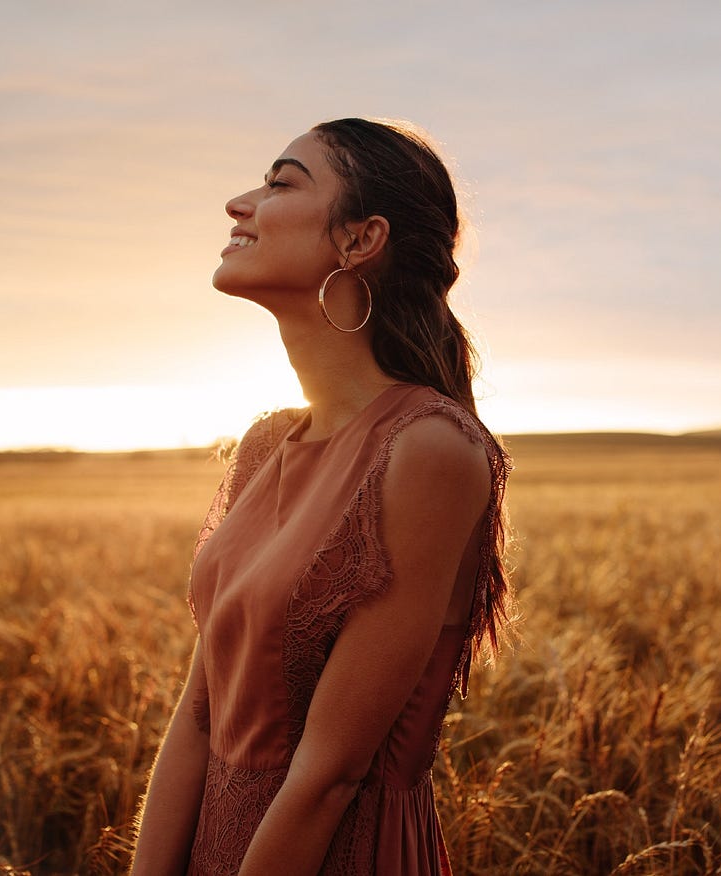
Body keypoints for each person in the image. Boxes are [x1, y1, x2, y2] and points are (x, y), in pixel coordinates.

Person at [131, 118, 511, 875]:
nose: (239, 204)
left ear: (359, 240)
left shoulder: (427, 448)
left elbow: (329, 776)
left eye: (279, 183)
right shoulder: (267, 447)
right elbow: (199, 716)